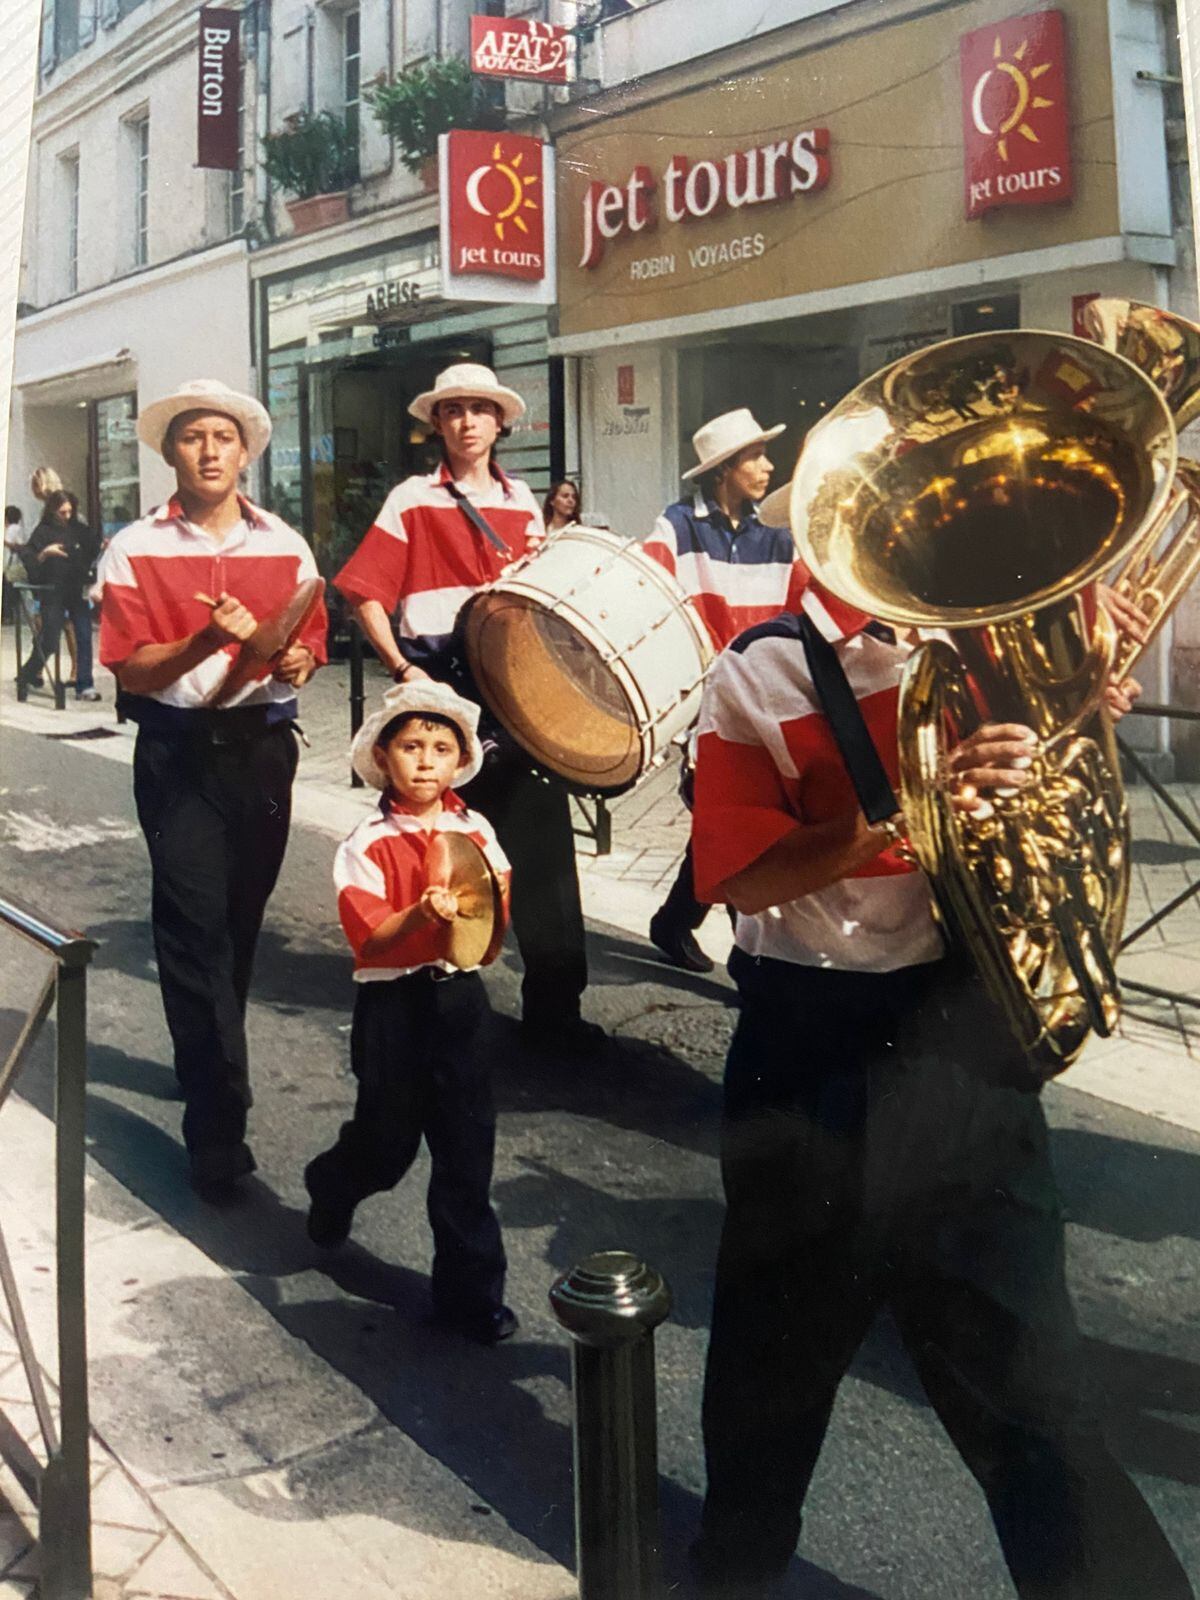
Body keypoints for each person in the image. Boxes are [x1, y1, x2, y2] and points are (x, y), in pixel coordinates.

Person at [686, 579, 1192, 1600]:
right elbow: (737, 875)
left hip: (963, 1038)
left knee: (1034, 1393)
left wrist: (1076, 716)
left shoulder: (989, 645)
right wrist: (903, 809)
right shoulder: (759, 667)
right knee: (771, 1377)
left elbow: (1049, 813)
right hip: (810, 1042)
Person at [334, 362, 602, 1055]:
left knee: (542, 842)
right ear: (438, 423)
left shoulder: (521, 501)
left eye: (480, 409)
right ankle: (433, 981)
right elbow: (365, 589)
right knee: (439, 841)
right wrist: (402, 667)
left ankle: (556, 1009)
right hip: (443, 682)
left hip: (513, 689)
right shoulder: (412, 498)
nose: (467, 422)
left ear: (500, 422)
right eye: (453, 411)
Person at [99, 378, 327, 1190]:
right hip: (179, 753)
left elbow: (305, 642)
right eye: (192, 437)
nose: (208, 451)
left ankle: (208, 1057)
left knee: (237, 923)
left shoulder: (287, 545)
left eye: (222, 438)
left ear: (244, 453)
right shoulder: (133, 548)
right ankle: (218, 1126)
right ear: (171, 454)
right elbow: (131, 668)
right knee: (191, 931)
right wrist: (203, 641)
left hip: (264, 752)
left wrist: (297, 657)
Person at [304, 680, 518, 1345]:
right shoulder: (365, 842)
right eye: (411, 747)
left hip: (458, 1003)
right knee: (388, 1143)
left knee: (466, 1150)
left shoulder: (475, 830)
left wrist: (478, 910)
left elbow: (492, 916)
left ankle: (470, 1295)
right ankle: (335, 1181)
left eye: (442, 747)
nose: (426, 761)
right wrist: (423, 914)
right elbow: (369, 937)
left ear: (460, 761)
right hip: (394, 1006)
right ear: (383, 757)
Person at [642, 409, 808, 973]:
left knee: (730, 822)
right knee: (740, 827)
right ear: (723, 471)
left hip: (764, 701)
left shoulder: (778, 536)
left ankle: (673, 921)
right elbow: (649, 591)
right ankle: (753, 960)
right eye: (755, 457)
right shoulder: (676, 526)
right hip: (703, 708)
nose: (767, 466)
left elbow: (801, 611)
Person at [18, 490, 102, 700]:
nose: (66, 517)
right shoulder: (43, 531)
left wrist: (102, 546)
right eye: (62, 513)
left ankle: (85, 684)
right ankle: (26, 674)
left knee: (83, 634)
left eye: (69, 512)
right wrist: (45, 553)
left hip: (75, 589)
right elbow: (29, 557)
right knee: (50, 640)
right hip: (52, 591)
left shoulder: (78, 528)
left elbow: (92, 546)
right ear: (53, 511)